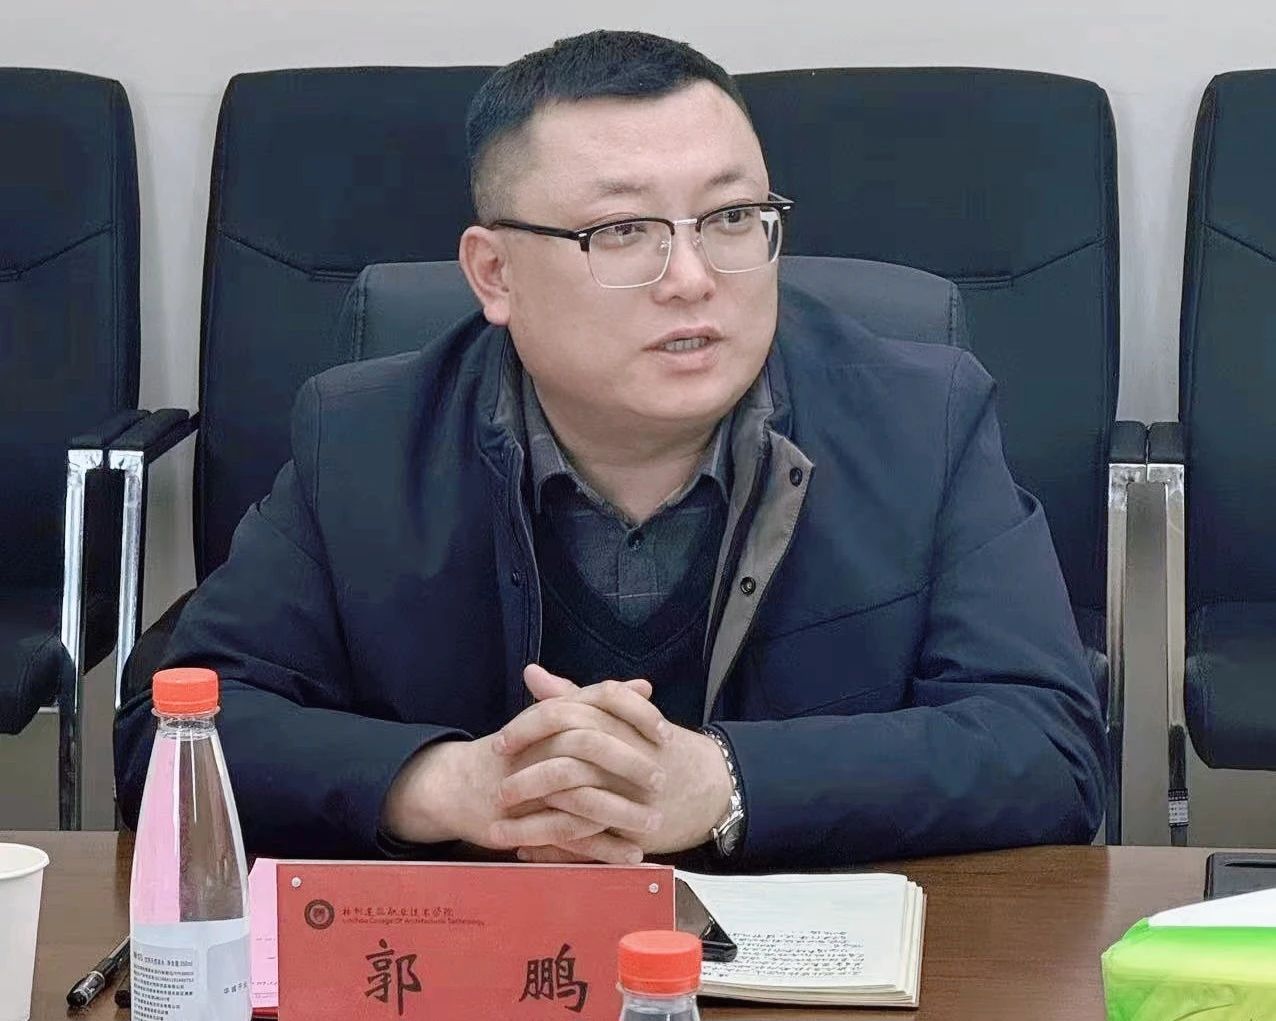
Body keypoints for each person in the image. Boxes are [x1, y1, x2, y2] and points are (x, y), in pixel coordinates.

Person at [115, 29, 1106, 868]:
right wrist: (451, 784)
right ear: (495, 274)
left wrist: (723, 783)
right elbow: (169, 735)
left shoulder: (920, 419)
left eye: (731, 218)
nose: (692, 278)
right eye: (623, 230)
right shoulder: (364, 440)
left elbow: (1051, 747)